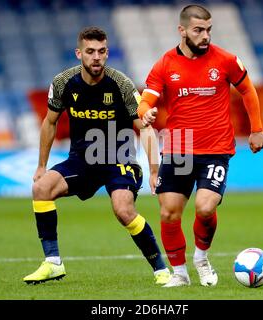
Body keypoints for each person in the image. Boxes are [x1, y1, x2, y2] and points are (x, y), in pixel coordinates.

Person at [23, 27, 170, 285]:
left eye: (101, 52)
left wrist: (154, 169)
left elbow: (144, 127)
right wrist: (41, 166)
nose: (96, 57)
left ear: (107, 53)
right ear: (79, 53)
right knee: (41, 189)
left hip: (119, 158)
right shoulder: (62, 83)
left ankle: (161, 270)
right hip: (82, 159)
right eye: (90, 52)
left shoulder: (121, 84)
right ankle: (53, 263)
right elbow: (49, 122)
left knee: (123, 210)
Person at [138, 5, 263, 287]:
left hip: (216, 147)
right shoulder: (165, 64)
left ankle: (202, 258)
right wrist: (144, 111)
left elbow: (247, 90)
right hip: (179, 146)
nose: (205, 35)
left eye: (208, 30)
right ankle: (180, 274)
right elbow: (147, 99)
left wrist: (256, 129)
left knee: (206, 208)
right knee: (169, 211)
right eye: (198, 30)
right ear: (182, 31)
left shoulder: (226, 60)